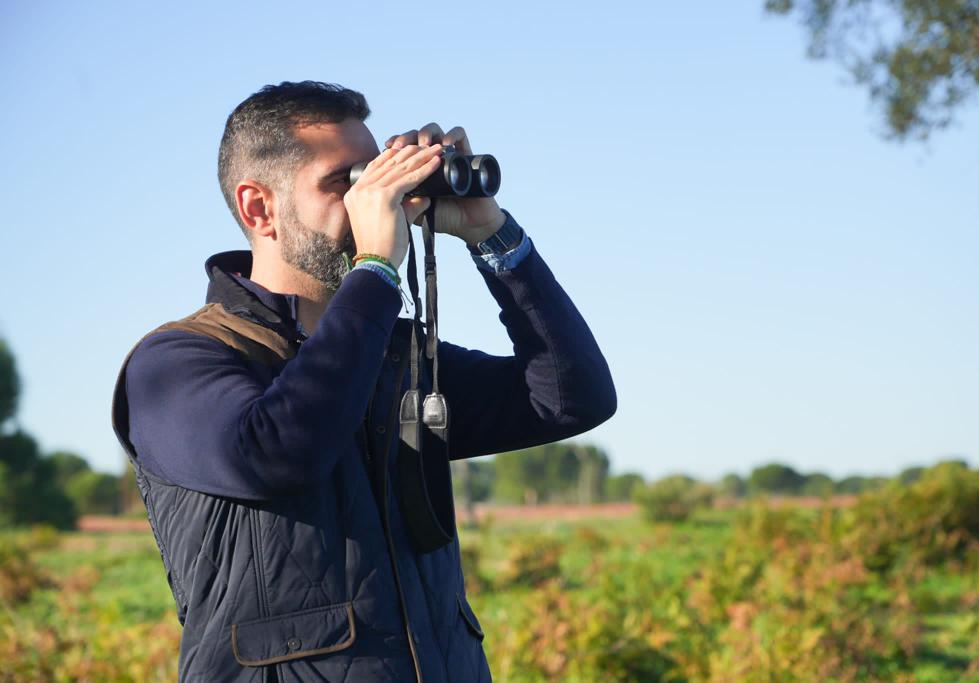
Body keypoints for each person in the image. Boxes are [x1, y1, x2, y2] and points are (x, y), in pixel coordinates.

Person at [112, 81, 616, 682]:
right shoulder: (179, 361)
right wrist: (375, 267)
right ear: (258, 207)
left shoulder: (392, 355)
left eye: (375, 178)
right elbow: (280, 454)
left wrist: (492, 235)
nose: (371, 202)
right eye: (344, 184)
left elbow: (570, 399)